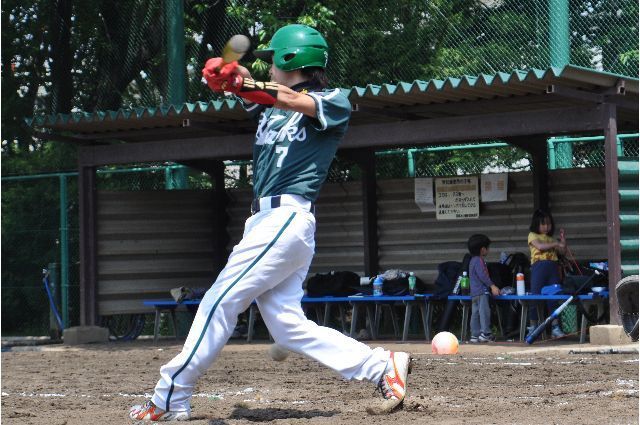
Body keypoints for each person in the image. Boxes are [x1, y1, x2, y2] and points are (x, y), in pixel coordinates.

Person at [129, 24, 410, 422]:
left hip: (286, 217)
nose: (269, 68)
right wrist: (227, 74)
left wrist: (242, 83)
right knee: (286, 327)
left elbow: (291, 98)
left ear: (290, 60)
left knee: (218, 302)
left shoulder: (333, 101)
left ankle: (170, 396)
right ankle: (380, 367)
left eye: (273, 62)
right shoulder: (267, 104)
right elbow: (253, 87)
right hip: (266, 222)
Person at [527, 209, 567, 338]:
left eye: (548, 224)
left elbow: (562, 252)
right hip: (539, 268)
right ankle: (533, 327)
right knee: (535, 297)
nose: (546, 227)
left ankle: (555, 327)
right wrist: (556, 243)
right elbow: (540, 246)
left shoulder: (551, 239)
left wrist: (563, 241)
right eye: (543, 224)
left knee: (553, 297)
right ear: (536, 224)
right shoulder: (532, 235)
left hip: (553, 268)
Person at [467, 234, 500, 343]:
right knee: (484, 312)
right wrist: (492, 286)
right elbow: (483, 275)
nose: (488, 250)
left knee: (475, 313)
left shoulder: (472, 260)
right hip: (482, 292)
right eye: (487, 248)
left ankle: (475, 335)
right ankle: (486, 333)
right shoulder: (479, 260)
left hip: (474, 293)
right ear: (482, 249)